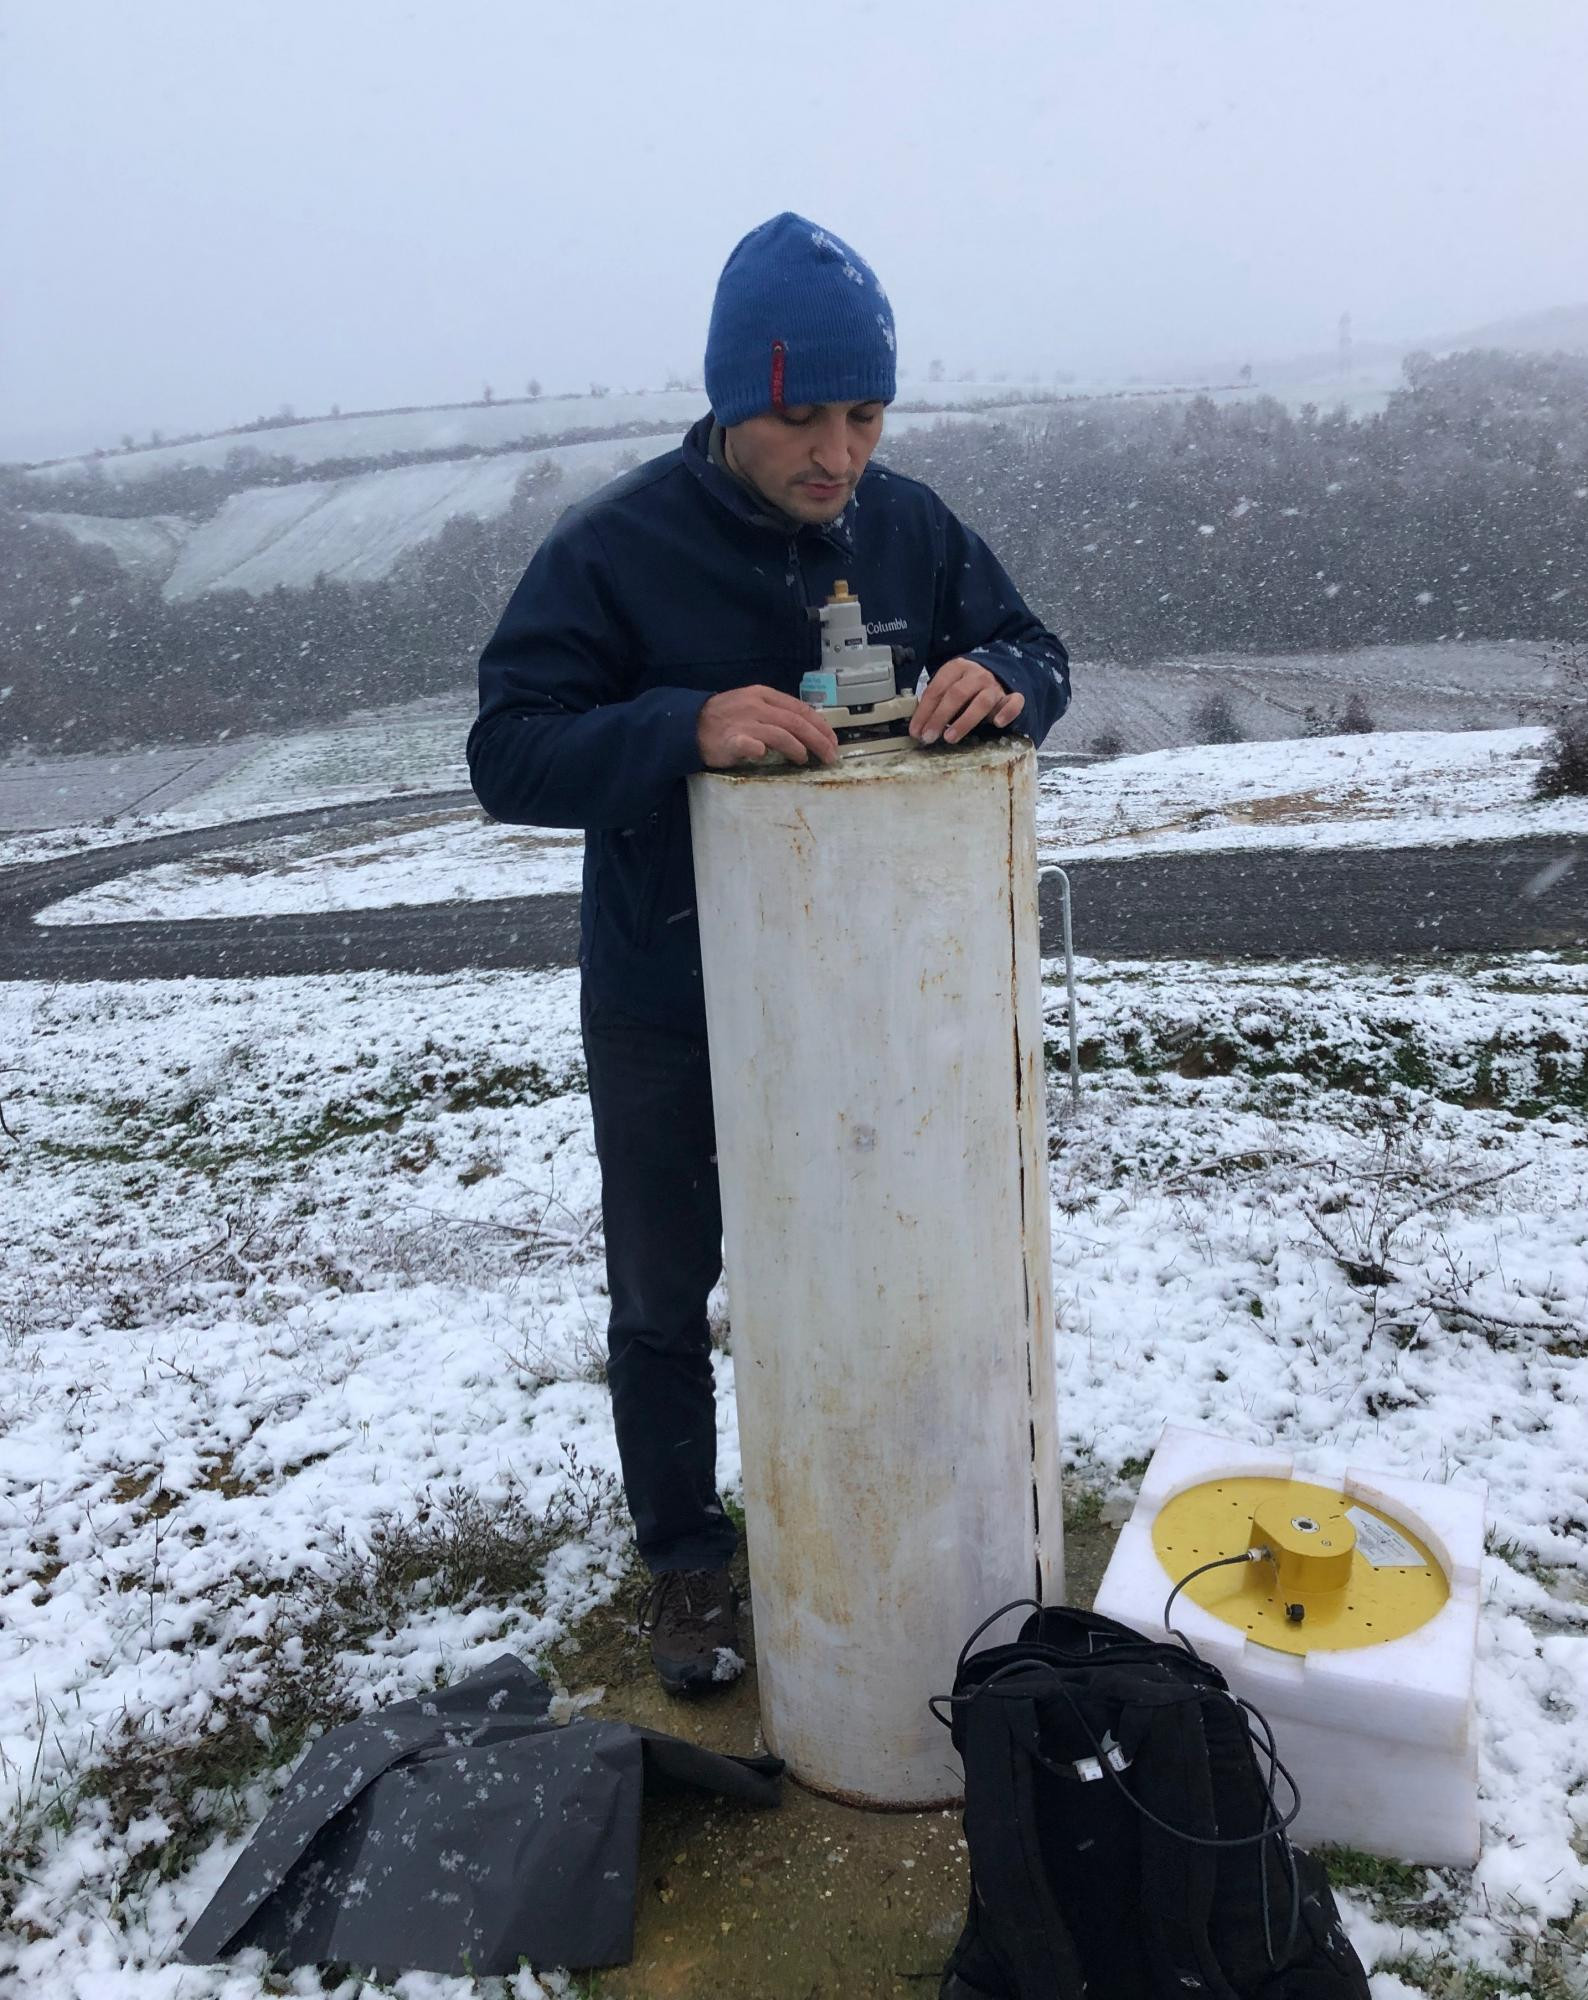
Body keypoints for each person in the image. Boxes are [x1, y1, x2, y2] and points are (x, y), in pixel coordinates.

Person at [468, 212, 1070, 1692]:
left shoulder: (912, 528)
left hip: (868, 1000)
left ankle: (891, 1511)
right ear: (736, 399)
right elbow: (509, 752)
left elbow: (1038, 649)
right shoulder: (614, 549)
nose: (837, 454)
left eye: (865, 417)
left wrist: (1003, 677)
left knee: (882, 1257)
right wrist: (683, 725)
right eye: (804, 418)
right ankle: (687, 1563)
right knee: (665, 1295)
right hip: (669, 996)